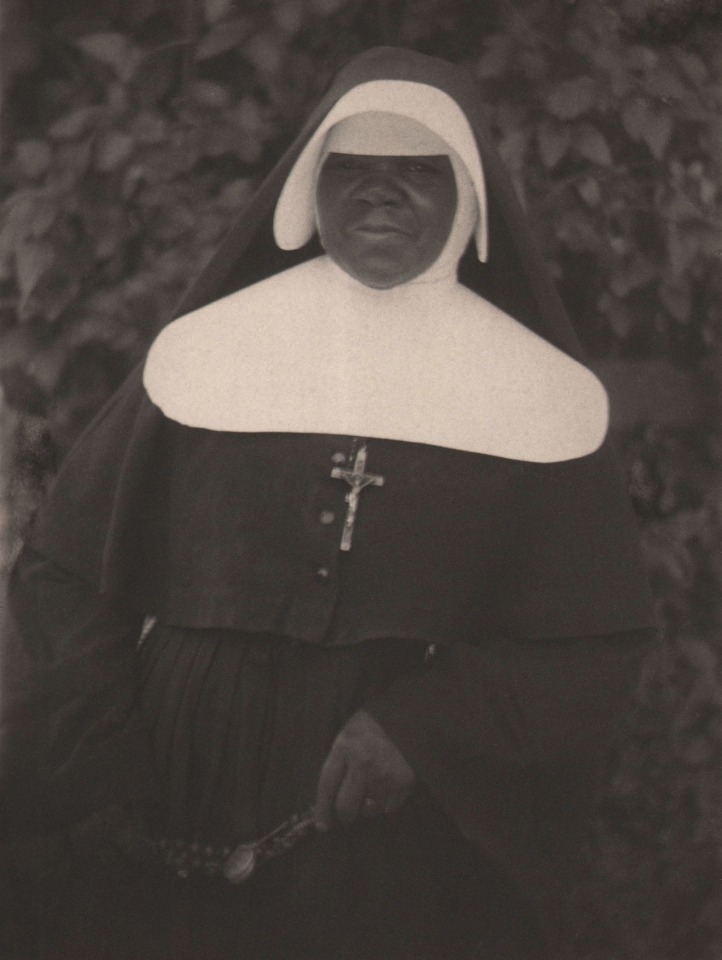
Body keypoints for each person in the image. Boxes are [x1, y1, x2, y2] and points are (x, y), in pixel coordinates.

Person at [1, 47, 657, 960]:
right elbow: (66, 571)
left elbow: (591, 643)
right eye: (351, 169)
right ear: (309, 187)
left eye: (417, 173)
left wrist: (425, 735)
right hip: (167, 785)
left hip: (384, 813)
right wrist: (107, 752)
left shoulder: (540, 396)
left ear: (466, 197)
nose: (379, 195)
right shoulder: (209, 351)